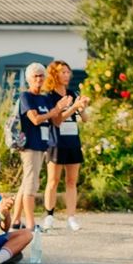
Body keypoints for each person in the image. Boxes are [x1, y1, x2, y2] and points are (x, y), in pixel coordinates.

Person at [17, 62, 71, 232]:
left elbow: (55, 120)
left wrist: (68, 108)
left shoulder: (45, 98)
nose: (39, 79)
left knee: (26, 183)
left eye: (41, 75)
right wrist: (56, 109)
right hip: (30, 146)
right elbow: (36, 119)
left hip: (42, 145)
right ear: (29, 79)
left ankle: (16, 220)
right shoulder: (26, 97)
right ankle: (31, 224)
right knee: (31, 185)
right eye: (35, 76)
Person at [42, 60, 89, 232]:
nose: (67, 75)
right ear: (55, 74)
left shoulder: (73, 93)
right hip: (56, 142)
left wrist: (82, 107)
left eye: (68, 72)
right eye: (63, 72)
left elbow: (84, 119)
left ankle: (71, 217)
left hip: (73, 141)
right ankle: (49, 215)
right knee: (53, 181)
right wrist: (73, 106)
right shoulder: (50, 96)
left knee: (71, 181)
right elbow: (56, 120)